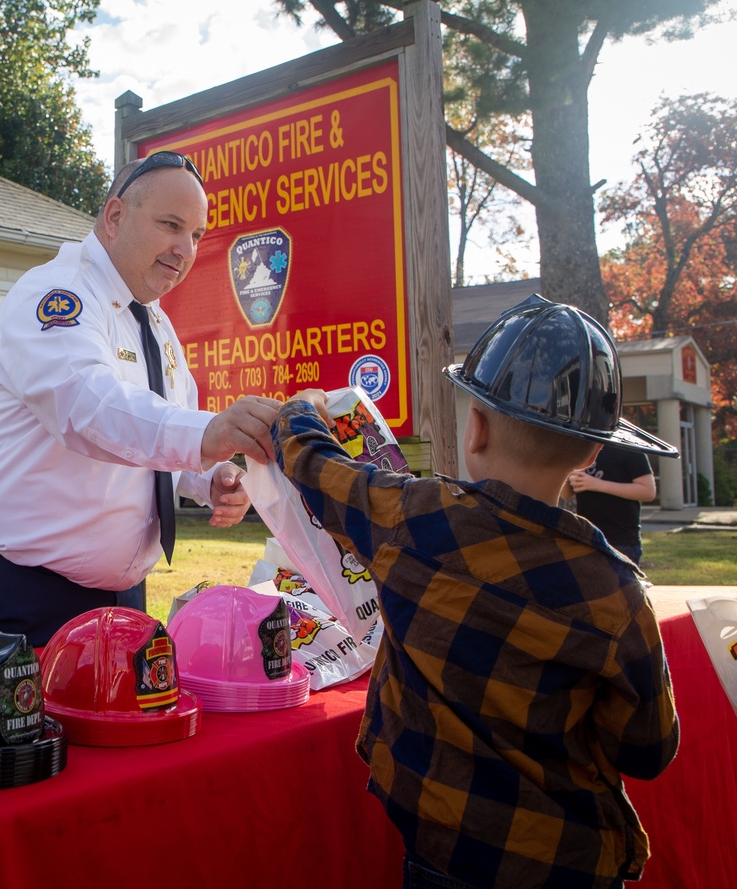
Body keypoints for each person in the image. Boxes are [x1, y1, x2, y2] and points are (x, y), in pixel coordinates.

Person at [268, 295, 679, 889]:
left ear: (477, 427)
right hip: (571, 864)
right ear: (594, 451)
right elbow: (647, 752)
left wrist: (300, 412)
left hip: (442, 856)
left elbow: (316, 468)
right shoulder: (615, 591)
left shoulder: (414, 520)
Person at [0, 151, 282, 647]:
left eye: (197, 235)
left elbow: (159, 437)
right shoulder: (57, 292)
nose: (184, 248)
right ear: (116, 217)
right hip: (14, 584)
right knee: (25, 727)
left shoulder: (155, 322)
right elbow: (86, 407)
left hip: (119, 594)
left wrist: (211, 478)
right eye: (170, 224)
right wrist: (206, 434)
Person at [565, 446, 656, 564]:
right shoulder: (582, 447)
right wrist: (569, 476)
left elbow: (648, 492)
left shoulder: (628, 448)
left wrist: (597, 484)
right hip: (587, 538)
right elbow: (566, 495)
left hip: (621, 540)